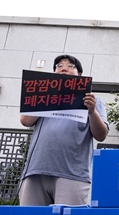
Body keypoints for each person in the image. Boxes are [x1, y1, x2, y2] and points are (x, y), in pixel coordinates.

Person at [19, 54, 109, 205]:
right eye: (59, 66)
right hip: (35, 170)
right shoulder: (44, 97)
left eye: (70, 66)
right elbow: (25, 120)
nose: (64, 69)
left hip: (72, 174)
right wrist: (42, 95)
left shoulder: (92, 101)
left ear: (80, 75)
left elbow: (101, 135)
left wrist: (92, 111)